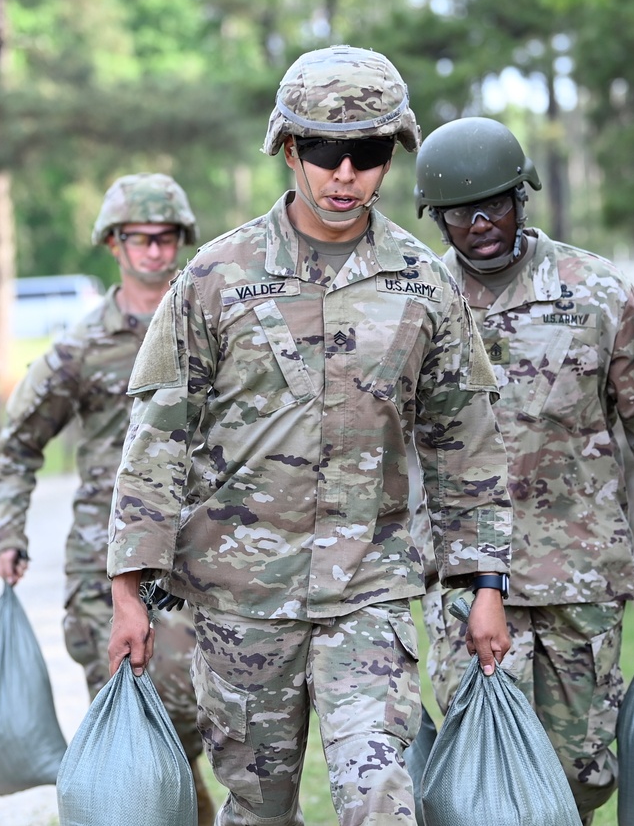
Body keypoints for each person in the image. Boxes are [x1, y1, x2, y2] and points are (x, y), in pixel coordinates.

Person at [106, 46, 514, 826]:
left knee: (381, 795)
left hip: (372, 591)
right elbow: (157, 440)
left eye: (367, 155)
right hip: (240, 603)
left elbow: (467, 444)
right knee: (258, 808)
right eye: (326, 152)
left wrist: (486, 587)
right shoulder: (214, 279)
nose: (345, 174)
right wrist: (129, 591)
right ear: (290, 149)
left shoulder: (423, 283)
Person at [413, 116, 634, 825]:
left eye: (494, 203)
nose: (479, 223)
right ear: (435, 217)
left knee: (579, 775)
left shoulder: (593, 292)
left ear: (521, 199)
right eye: (459, 212)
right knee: (485, 780)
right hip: (463, 581)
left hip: (577, 579)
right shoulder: (415, 305)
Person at [0, 173, 215, 824]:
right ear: (114, 242)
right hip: (107, 568)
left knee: (210, 716)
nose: (156, 252)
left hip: (201, 561)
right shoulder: (80, 348)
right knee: (138, 722)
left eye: (168, 238)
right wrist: (8, 532)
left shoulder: (212, 326)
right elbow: (14, 446)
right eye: (141, 238)